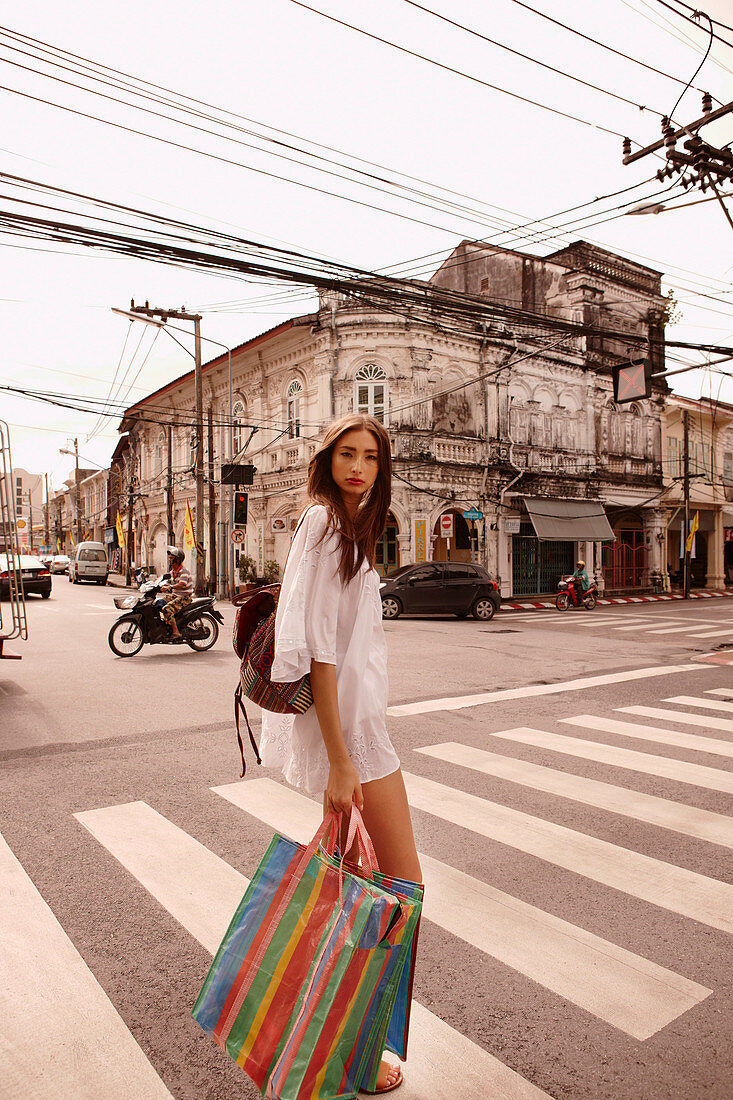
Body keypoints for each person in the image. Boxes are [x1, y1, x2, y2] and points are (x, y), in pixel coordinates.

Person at [259, 413, 421, 1095]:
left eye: (370, 457)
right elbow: (319, 654)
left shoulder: (348, 528)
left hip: (360, 729)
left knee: (360, 891)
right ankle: (355, 1052)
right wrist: (342, 762)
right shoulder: (323, 523)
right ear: (326, 460)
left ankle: (333, 1036)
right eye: (346, 454)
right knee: (396, 893)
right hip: (351, 738)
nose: (358, 466)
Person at [159, 545, 192, 641]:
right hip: (175, 596)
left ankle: (176, 632)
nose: (170, 560)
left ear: (178, 560)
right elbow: (168, 581)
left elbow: (182, 584)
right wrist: (158, 586)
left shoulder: (183, 571)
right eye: (169, 558)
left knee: (167, 608)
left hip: (184, 597)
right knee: (158, 603)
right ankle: (166, 624)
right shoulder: (173, 571)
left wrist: (170, 587)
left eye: (172, 558)